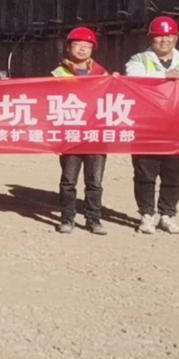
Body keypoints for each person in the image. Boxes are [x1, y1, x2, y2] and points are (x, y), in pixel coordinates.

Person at [125, 16, 179, 235]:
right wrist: (163, 76)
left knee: (174, 174)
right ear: (151, 38)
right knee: (145, 173)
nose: (164, 40)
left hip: (178, 129)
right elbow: (133, 81)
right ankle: (146, 214)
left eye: (169, 36)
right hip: (147, 128)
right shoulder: (139, 60)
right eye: (159, 36)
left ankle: (167, 215)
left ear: (176, 37)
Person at [51, 27, 110, 235]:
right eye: (77, 45)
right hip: (71, 136)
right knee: (68, 181)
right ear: (68, 48)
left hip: (96, 135)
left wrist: (118, 82)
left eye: (87, 46)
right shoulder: (57, 74)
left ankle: (93, 219)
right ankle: (67, 218)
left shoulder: (103, 74)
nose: (82, 49)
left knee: (94, 181)